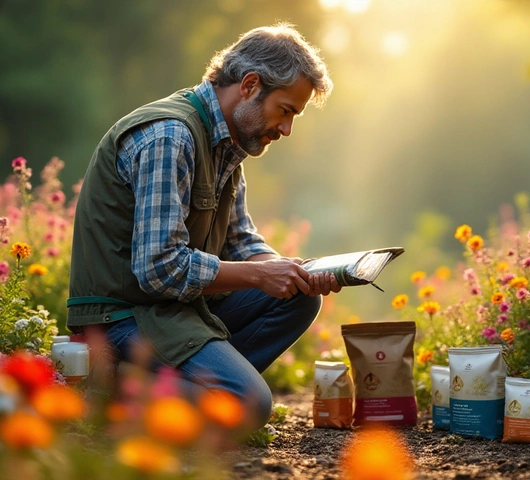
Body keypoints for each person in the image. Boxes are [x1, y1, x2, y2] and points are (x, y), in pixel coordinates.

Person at [67, 23, 339, 429]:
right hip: (124, 317)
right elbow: (160, 269)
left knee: (300, 298)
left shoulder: (228, 143)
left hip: (174, 311)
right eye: (285, 110)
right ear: (249, 85)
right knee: (246, 405)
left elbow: (240, 240)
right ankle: (110, 385)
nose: (286, 129)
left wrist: (290, 271)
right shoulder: (169, 136)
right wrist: (259, 275)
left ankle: (188, 386)